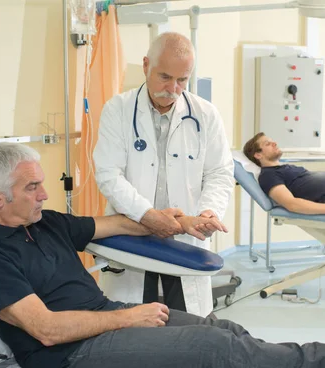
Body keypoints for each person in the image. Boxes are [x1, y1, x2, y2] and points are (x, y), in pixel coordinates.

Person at [0, 142, 325, 368]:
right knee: (207, 346)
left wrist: (173, 220)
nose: (44, 194)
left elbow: (117, 223)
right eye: (32, 187)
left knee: (226, 329)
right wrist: (125, 317)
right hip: (69, 355)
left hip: (103, 317)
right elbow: (46, 330)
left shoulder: (46, 222)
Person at [93, 32, 234, 317]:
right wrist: (147, 216)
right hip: (133, 230)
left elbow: (219, 172)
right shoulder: (117, 110)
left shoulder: (205, 115)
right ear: (146, 65)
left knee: (189, 325)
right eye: (165, 77)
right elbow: (109, 174)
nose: (173, 88)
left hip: (185, 236)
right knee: (131, 323)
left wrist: (208, 212)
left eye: (182, 79)